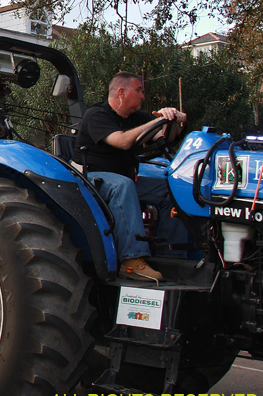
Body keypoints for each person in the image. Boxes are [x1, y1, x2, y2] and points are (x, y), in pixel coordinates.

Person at [71, 71, 187, 281]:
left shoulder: (135, 118)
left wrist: (173, 121)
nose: (143, 96)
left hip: (124, 178)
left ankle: (172, 254)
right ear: (122, 92)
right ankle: (131, 260)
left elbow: (165, 137)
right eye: (139, 90)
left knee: (171, 188)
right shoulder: (97, 115)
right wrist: (154, 123)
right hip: (91, 179)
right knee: (122, 186)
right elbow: (122, 141)